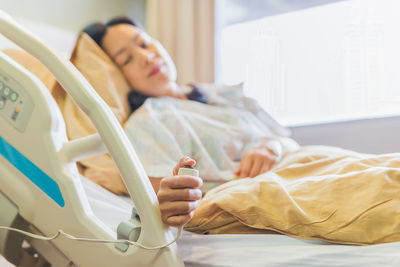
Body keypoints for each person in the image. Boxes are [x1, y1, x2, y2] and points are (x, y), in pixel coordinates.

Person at [81, 17, 299, 227]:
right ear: (117, 76)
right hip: (266, 192)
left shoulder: (221, 93)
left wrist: (272, 146)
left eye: (145, 44)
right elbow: (167, 199)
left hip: (297, 167)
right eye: (126, 60)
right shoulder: (147, 122)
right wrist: (173, 197)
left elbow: (284, 138)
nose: (146, 57)